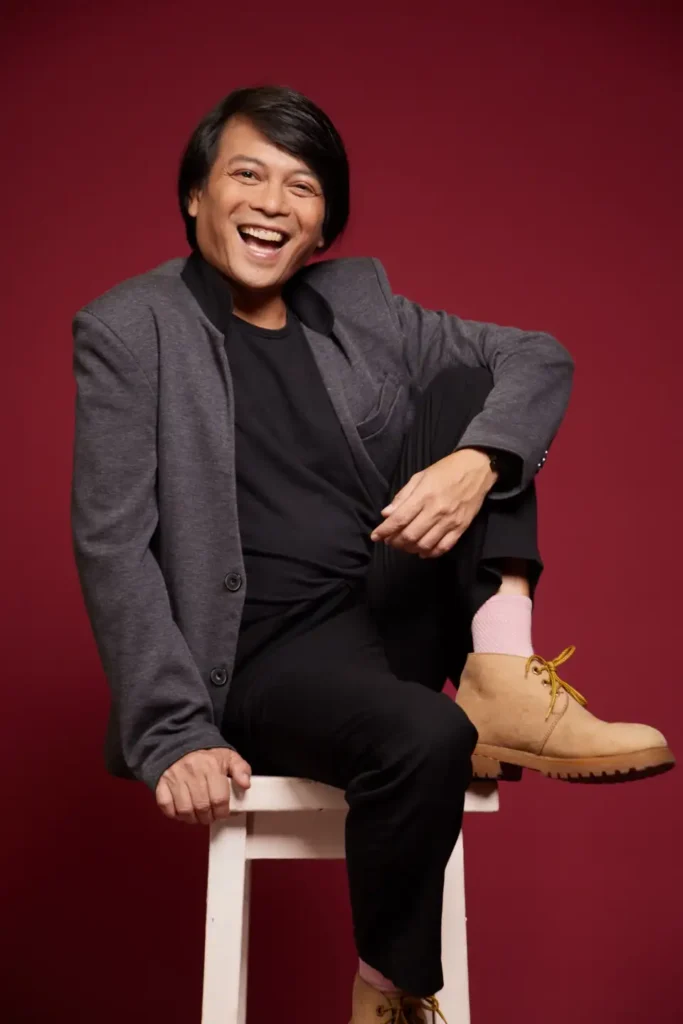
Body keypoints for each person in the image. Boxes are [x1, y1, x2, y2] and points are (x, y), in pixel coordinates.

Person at [70, 84, 675, 1023]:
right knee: (430, 737)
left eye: (302, 186)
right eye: (247, 175)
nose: (273, 202)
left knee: (478, 389)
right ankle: (390, 995)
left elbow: (538, 356)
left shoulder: (355, 307)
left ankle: (502, 671)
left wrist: (476, 463)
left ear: (323, 225)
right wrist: (173, 731)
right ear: (195, 193)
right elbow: (112, 543)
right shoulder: (130, 328)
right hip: (264, 659)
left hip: (386, 615)